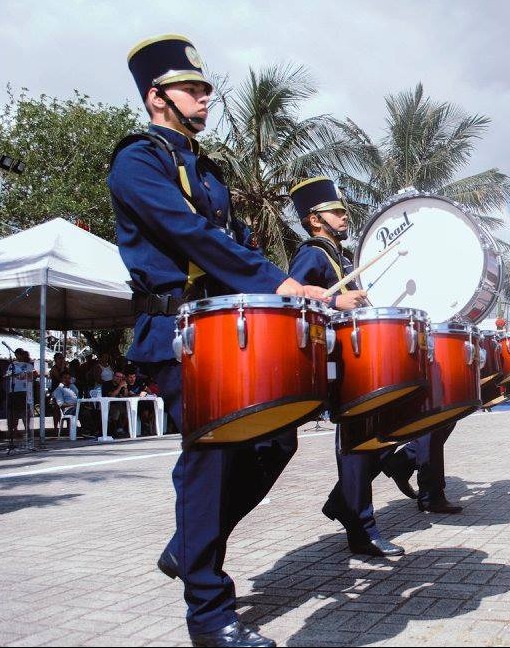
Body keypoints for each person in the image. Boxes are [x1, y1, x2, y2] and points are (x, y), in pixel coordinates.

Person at [109, 35, 327, 648]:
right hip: (178, 331)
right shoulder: (137, 162)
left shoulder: (208, 169)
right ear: (157, 98)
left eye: (206, 89)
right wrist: (279, 282)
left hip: (229, 332)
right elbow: (190, 235)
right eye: (191, 89)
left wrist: (279, 285)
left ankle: (187, 547)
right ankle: (208, 614)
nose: (205, 99)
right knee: (208, 460)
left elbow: (233, 244)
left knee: (274, 441)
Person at [286, 176, 410, 557]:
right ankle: (361, 528)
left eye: (343, 211)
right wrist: (335, 303)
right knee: (357, 443)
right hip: (339, 362)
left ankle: (346, 505)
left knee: (377, 436)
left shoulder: (338, 257)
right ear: (314, 220)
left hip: (358, 358)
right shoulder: (312, 254)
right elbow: (292, 300)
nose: (344, 217)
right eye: (335, 212)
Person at [4, 348, 36, 446]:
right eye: (17, 354)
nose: (19, 356)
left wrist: (23, 375)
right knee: (12, 413)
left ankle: (29, 433)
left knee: (25, 414)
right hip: (14, 392)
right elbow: (7, 375)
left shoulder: (29, 365)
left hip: (25, 391)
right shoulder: (12, 365)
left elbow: (32, 376)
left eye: (20, 354)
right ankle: (12, 433)